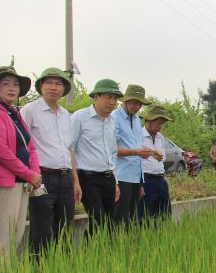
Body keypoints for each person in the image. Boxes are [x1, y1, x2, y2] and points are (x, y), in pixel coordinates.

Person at [0, 66, 40, 264]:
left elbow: (30, 146)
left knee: (17, 233)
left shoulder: (14, 113)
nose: (11, 88)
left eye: (15, 84)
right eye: (5, 84)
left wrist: (34, 172)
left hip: (21, 182)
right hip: (4, 182)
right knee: (4, 234)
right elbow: (1, 152)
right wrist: (29, 174)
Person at [21, 68, 82, 254]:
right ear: (41, 86)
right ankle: (40, 272)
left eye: (58, 83)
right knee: (42, 228)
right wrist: (30, 175)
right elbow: (22, 145)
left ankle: (61, 271)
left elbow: (69, 149)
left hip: (65, 178)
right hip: (42, 177)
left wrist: (75, 181)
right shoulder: (30, 110)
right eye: (49, 83)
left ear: (64, 89)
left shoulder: (66, 115)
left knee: (65, 227)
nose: (53, 87)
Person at [71, 79, 122, 234]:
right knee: (98, 219)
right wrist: (75, 181)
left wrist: (116, 182)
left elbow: (112, 153)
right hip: (88, 178)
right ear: (96, 97)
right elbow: (69, 149)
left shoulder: (112, 121)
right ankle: (91, 254)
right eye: (108, 97)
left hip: (108, 177)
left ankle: (95, 255)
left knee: (109, 222)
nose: (112, 102)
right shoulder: (79, 117)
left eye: (115, 98)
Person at [113, 84, 154, 227]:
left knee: (131, 218)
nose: (137, 106)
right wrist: (136, 152)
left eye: (140, 103)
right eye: (134, 102)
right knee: (118, 217)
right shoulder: (114, 118)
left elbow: (137, 146)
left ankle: (128, 247)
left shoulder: (137, 120)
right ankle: (112, 247)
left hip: (135, 176)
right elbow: (111, 149)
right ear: (125, 100)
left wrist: (141, 180)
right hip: (121, 176)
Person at [139, 105, 173, 223]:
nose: (160, 127)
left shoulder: (160, 137)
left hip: (160, 179)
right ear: (148, 121)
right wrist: (139, 184)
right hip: (146, 180)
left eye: (162, 124)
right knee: (146, 216)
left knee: (165, 215)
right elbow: (134, 161)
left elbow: (161, 158)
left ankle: (161, 238)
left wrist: (159, 156)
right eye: (158, 123)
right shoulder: (138, 135)